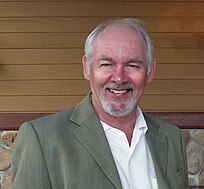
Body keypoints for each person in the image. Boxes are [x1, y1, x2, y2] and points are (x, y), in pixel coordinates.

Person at [11, 18, 188, 189]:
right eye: (106, 64)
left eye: (133, 65)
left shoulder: (172, 138)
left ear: (150, 71)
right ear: (87, 68)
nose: (119, 77)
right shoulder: (41, 139)